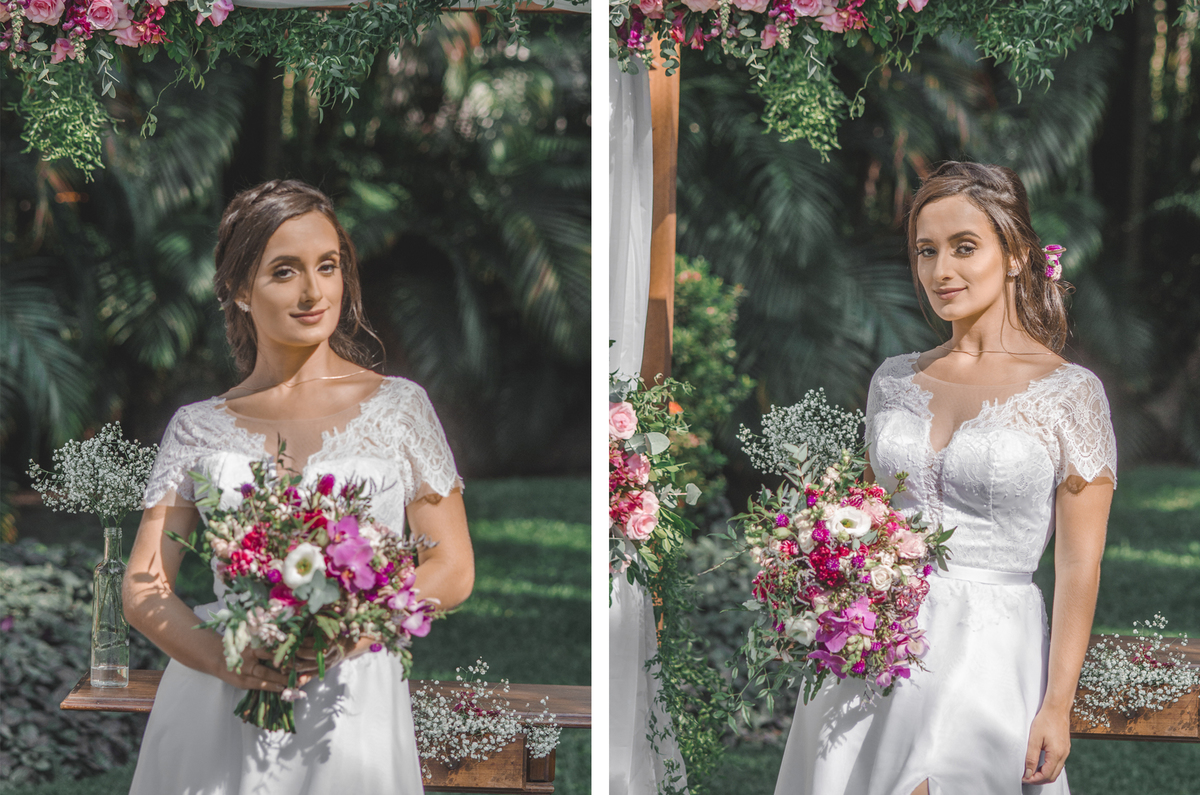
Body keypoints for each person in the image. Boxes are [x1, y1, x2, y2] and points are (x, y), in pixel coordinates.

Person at [774, 162, 1117, 795]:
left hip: (989, 650)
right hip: (871, 645)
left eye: (965, 247)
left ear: (1014, 254)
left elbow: (1078, 566)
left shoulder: (1071, 395)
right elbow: (871, 515)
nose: (941, 272)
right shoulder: (893, 379)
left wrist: (1056, 704)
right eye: (926, 251)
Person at [123, 180, 474, 794]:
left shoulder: (399, 408)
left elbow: (452, 566)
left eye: (328, 266)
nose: (315, 291)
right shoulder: (196, 427)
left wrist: (351, 627)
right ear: (237, 290)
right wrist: (223, 656)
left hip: (351, 704)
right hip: (214, 705)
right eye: (285, 271)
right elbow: (144, 585)